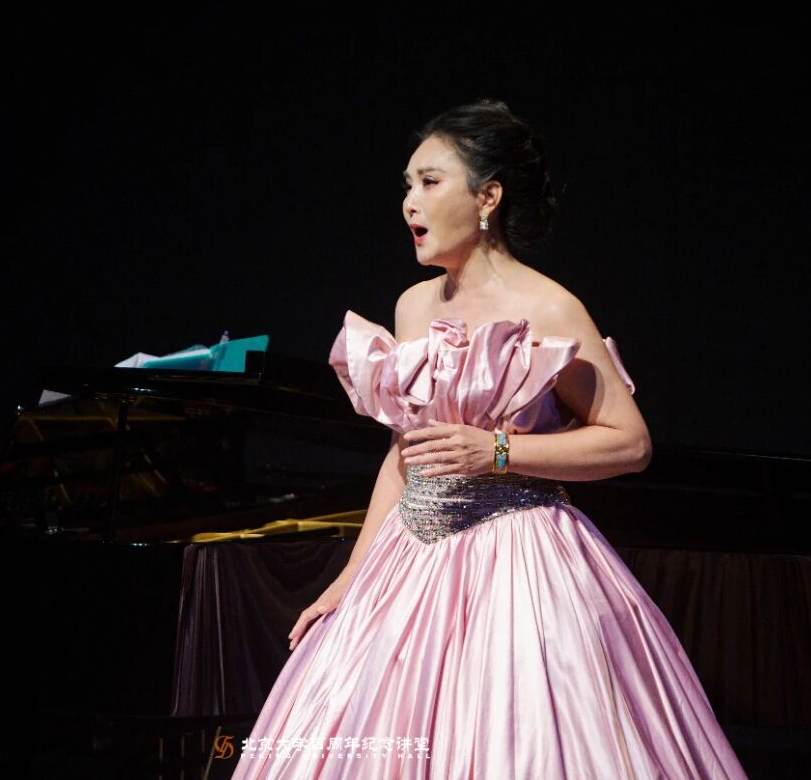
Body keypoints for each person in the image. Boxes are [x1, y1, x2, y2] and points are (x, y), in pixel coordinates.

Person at [232, 101, 747, 778]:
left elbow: (629, 442)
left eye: (430, 182)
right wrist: (349, 578)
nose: (410, 202)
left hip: (518, 563)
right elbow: (405, 452)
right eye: (407, 185)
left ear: (487, 197)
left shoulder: (548, 307)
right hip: (410, 562)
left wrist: (497, 450)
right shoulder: (413, 305)